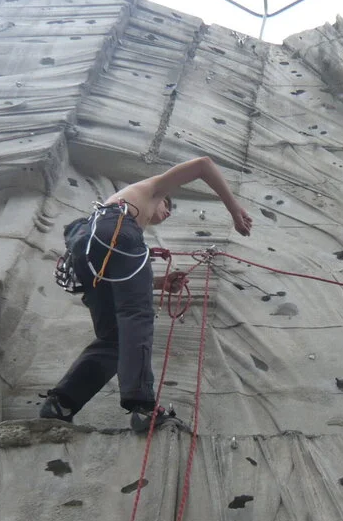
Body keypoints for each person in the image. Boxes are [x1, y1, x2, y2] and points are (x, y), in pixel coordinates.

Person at [40, 157, 253, 431]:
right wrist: (235, 212)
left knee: (113, 338)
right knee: (137, 318)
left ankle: (62, 402)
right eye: (168, 208)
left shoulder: (115, 217)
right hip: (116, 231)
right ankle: (143, 408)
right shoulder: (153, 190)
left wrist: (161, 283)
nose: (167, 214)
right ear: (162, 199)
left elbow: (119, 279)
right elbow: (203, 165)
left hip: (86, 251)